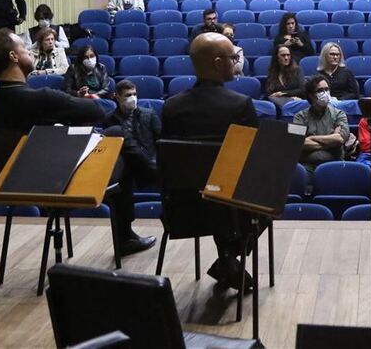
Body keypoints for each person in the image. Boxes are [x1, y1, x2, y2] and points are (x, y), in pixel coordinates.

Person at [0, 29, 154, 255]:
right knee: (116, 136)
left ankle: (151, 177)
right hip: (52, 186)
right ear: (14, 57)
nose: (30, 53)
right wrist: (75, 102)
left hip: (15, 181)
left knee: (113, 135)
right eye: (24, 49)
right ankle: (133, 219)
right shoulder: (40, 98)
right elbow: (101, 109)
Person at [162, 32, 259, 290]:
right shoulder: (241, 105)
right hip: (234, 210)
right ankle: (228, 257)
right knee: (269, 197)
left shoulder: (171, 107)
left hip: (184, 209)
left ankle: (226, 259)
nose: (236, 61)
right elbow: (253, 162)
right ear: (217, 63)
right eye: (233, 57)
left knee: (213, 190)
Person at [292, 76, 351, 176]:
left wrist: (310, 138)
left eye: (327, 89)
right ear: (311, 95)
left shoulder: (340, 114)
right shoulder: (298, 116)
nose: (325, 93)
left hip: (334, 165)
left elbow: (339, 139)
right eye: (320, 90)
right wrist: (330, 141)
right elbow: (295, 142)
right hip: (307, 167)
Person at [103, 80, 161, 180]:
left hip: (148, 162)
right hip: (125, 166)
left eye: (134, 94)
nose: (133, 98)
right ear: (117, 97)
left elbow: (160, 140)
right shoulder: (109, 119)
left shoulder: (150, 114)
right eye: (128, 95)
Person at [265, 44, 306, 111]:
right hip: (279, 104)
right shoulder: (272, 72)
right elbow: (269, 93)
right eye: (283, 55)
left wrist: (282, 93)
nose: (286, 58)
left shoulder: (297, 70)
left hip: (296, 103)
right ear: (277, 57)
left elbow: (302, 90)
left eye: (288, 55)